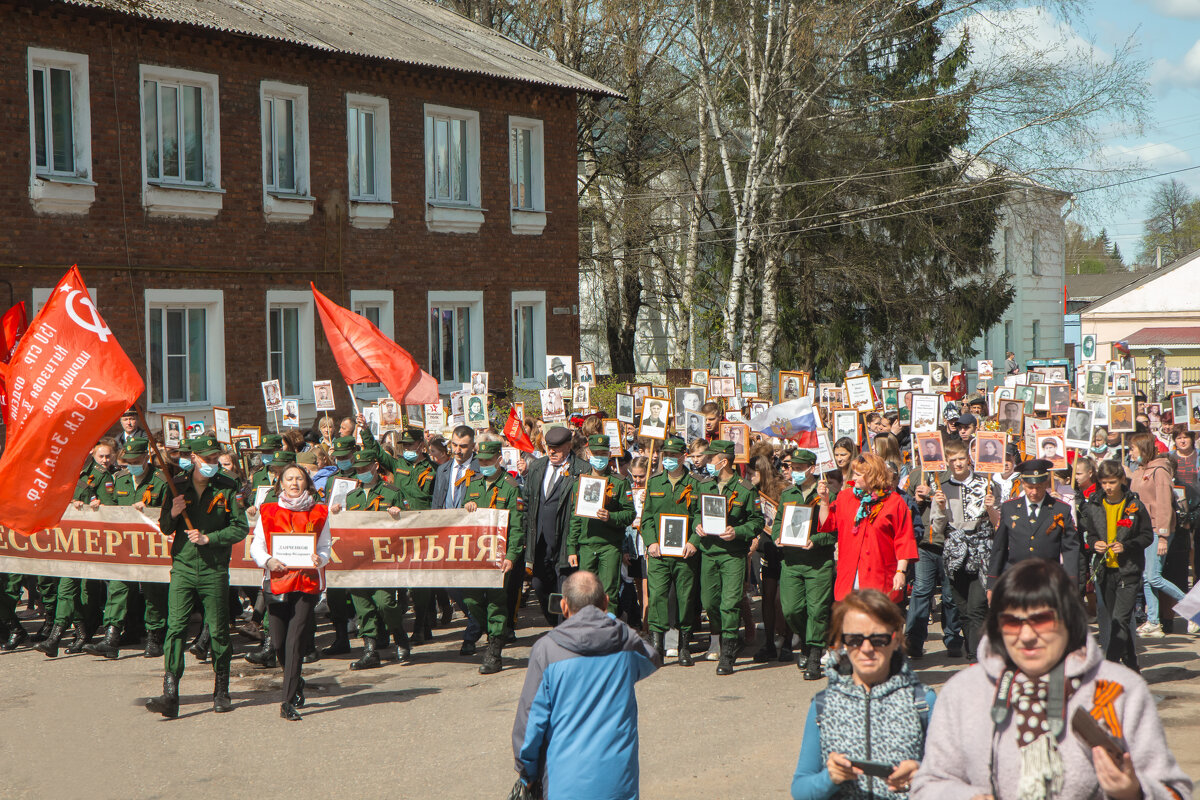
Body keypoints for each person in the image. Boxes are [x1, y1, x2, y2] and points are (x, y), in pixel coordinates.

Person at [912, 559, 1191, 800]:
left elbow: (1175, 790)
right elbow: (928, 785)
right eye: (1011, 622)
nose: (1027, 635)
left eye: (1041, 620)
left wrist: (1134, 791)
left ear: (1069, 621)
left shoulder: (1119, 688)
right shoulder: (963, 690)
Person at [512, 572, 661, 800]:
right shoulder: (624, 641)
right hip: (618, 782)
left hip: (564, 783)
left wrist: (527, 774)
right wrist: (609, 619)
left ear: (563, 606)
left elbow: (530, 723)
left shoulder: (547, 649)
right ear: (606, 601)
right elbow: (652, 658)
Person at [790, 589, 935, 800]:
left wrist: (921, 775)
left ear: (895, 640)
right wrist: (829, 778)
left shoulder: (922, 701)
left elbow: (953, 780)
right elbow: (801, 788)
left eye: (878, 639)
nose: (867, 648)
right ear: (841, 643)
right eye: (855, 639)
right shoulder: (823, 705)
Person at [145, 435, 249, 718]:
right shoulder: (175, 485)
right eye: (208, 459)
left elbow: (240, 528)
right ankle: (170, 693)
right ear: (194, 458)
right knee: (176, 627)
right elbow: (166, 527)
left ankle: (221, 690)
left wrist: (209, 538)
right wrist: (175, 512)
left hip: (214, 569)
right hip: (183, 567)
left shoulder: (227, 487)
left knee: (217, 630)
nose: (213, 464)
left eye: (216, 459)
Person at [247, 464, 331, 720]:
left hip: (306, 583)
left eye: (299, 478)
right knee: (280, 642)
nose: (295, 483)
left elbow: (326, 545)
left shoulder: (319, 512)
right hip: (278, 582)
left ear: (307, 482)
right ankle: (296, 681)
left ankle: (287, 700)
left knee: (295, 642)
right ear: (280, 483)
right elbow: (257, 546)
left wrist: (321, 559)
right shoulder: (269, 510)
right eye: (289, 479)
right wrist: (268, 561)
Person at [693, 440, 764, 675]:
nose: (706, 462)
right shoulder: (704, 485)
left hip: (732, 554)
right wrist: (698, 526)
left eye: (710, 459)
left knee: (729, 603)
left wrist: (738, 532)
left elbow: (757, 521)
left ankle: (728, 652)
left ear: (723, 461)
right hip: (709, 552)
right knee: (710, 602)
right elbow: (695, 513)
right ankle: (722, 636)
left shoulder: (745, 488)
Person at [459, 440, 524, 674]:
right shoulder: (473, 483)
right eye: (481, 461)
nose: (484, 465)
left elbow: (517, 525)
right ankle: (494, 632)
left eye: (488, 461)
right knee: (471, 600)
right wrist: (467, 507)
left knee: (497, 601)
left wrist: (512, 556)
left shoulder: (510, 486)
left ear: (499, 459)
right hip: (477, 554)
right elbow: (465, 521)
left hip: (499, 553)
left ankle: (494, 653)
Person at [817, 453, 916, 604]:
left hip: (880, 580)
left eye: (858, 474)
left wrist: (900, 572)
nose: (853, 477)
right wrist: (824, 502)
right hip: (848, 580)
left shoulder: (894, 502)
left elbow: (904, 539)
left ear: (872, 476)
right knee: (851, 626)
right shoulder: (845, 497)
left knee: (878, 626)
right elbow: (828, 524)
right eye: (854, 473)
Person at [932, 439, 997, 660]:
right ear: (948, 463)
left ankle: (979, 657)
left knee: (977, 608)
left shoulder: (987, 484)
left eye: (961, 459)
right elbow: (938, 528)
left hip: (982, 552)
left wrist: (991, 508)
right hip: (955, 554)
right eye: (953, 460)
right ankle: (973, 650)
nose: (958, 464)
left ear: (968, 460)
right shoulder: (942, 488)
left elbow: (998, 523)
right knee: (962, 608)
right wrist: (940, 508)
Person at [773, 449, 836, 679]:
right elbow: (778, 522)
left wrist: (816, 541)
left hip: (817, 563)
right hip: (791, 561)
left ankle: (813, 656)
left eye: (800, 468)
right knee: (791, 609)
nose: (795, 472)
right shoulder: (788, 494)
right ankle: (808, 641)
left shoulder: (827, 495)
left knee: (817, 611)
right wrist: (777, 537)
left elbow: (833, 531)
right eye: (793, 468)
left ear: (812, 468)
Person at [639, 436, 701, 666]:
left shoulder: (696, 483)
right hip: (659, 553)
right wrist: (650, 542)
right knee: (657, 597)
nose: (670, 460)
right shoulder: (653, 482)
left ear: (684, 456)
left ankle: (684, 645)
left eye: (674, 456)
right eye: (667, 456)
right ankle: (658, 646)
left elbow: (700, 517)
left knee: (685, 598)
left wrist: (694, 541)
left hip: (685, 553)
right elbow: (646, 518)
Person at [567, 435, 636, 608]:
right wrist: (571, 548)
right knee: (585, 593)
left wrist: (611, 517)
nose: (599, 457)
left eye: (603, 453)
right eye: (596, 453)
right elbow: (575, 519)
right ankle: (588, 629)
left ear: (609, 455)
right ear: (589, 454)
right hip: (587, 545)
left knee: (608, 593)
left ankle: (607, 629)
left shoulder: (620, 483)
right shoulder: (579, 483)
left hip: (609, 546)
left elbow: (630, 514)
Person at [1127, 433, 1184, 638]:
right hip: (1144, 529)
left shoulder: (1160, 471)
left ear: (1144, 448)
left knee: (1153, 576)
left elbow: (1163, 504)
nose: (1131, 452)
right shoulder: (1141, 470)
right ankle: (1153, 621)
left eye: (1133, 448)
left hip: (1156, 530)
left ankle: (1191, 608)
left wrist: (1162, 536)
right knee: (1146, 577)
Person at [988, 459, 1079, 587]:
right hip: (1016, 580)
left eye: (1039, 487)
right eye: (1030, 487)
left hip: (1048, 580)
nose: (1034, 492)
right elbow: (999, 548)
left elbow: (1070, 548)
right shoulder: (1009, 508)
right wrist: (992, 583)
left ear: (1045, 483)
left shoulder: (1061, 509)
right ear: (1023, 484)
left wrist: (1071, 583)